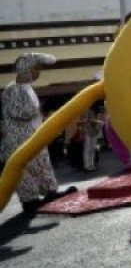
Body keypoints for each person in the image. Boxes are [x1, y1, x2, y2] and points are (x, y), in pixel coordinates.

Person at [0, 53, 77, 212]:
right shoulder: (12, 89)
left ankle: (50, 191)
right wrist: (39, 109)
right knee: (26, 170)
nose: (38, 72)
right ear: (25, 69)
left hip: (33, 137)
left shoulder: (27, 88)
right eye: (36, 68)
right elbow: (20, 113)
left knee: (42, 164)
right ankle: (30, 200)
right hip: (20, 141)